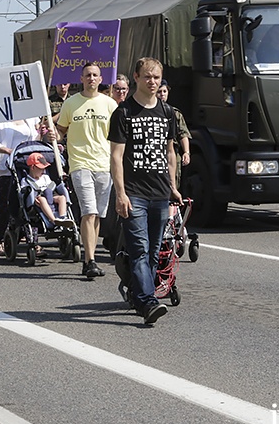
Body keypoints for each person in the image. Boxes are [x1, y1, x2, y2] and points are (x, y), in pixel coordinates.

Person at [109, 57, 181, 325]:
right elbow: (116, 156)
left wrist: (173, 187)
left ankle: (140, 296)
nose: (153, 82)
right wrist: (121, 194)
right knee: (139, 249)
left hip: (160, 193)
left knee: (153, 251)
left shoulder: (168, 112)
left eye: (157, 77)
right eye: (148, 77)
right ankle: (149, 302)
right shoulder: (124, 113)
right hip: (134, 193)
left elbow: (170, 152)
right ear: (136, 78)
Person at [56, 62, 118, 278]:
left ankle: (89, 256)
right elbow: (61, 130)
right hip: (80, 164)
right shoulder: (71, 103)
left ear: (101, 79)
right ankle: (89, 260)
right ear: (81, 79)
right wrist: (56, 136)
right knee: (88, 212)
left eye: (95, 75)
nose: (91, 78)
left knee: (98, 215)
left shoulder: (110, 104)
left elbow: (117, 136)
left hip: (104, 165)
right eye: (87, 75)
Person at [0, 117, 41, 254]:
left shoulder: (29, 119)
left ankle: (32, 239)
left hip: (25, 166)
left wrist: (45, 134)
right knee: (4, 204)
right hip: (6, 167)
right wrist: (10, 151)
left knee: (29, 203)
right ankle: (0, 239)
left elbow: (35, 139)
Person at [156, 79, 191, 191]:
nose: (162, 95)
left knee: (173, 186)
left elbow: (183, 134)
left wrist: (186, 152)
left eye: (164, 92)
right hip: (154, 153)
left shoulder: (174, 113)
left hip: (172, 153)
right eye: (159, 92)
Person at [20, 152, 70, 227]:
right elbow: (24, 192)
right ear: (33, 167)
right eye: (41, 169)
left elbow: (52, 185)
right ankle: (54, 220)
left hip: (50, 196)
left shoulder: (45, 177)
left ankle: (63, 217)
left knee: (62, 198)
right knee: (42, 199)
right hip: (36, 201)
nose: (43, 171)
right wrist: (32, 197)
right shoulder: (26, 180)